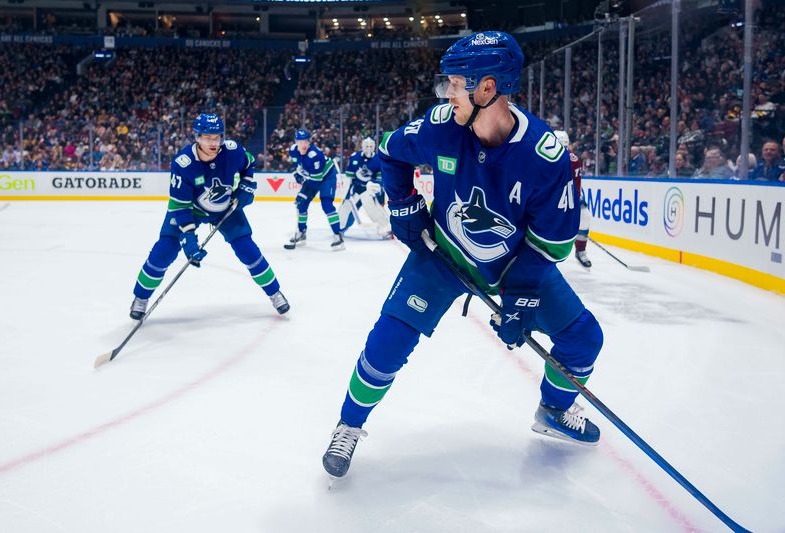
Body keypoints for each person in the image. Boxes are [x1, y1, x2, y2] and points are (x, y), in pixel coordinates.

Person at [321, 31, 604, 479]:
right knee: (387, 342)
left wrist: (523, 294)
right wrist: (402, 205)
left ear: (487, 88)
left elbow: (552, 243)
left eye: (455, 83)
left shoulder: (544, 157)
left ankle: (554, 409)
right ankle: (349, 425)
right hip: (442, 254)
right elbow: (392, 153)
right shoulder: (440, 127)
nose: (447, 92)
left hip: (513, 267)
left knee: (585, 339)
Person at [129, 113, 289, 320]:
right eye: (208, 137)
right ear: (197, 137)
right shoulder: (183, 163)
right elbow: (180, 204)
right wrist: (187, 236)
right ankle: (140, 298)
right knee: (163, 252)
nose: (214, 142)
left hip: (225, 207)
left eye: (217, 137)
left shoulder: (232, 151)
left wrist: (247, 185)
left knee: (247, 250)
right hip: (190, 210)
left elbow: (249, 163)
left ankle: (275, 293)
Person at [284, 129, 345, 251]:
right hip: (314, 177)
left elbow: (316, 180)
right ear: (296, 142)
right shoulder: (293, 150)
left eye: (305, 141)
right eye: (300, 141)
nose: (303, 144)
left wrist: (303, 193)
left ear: (309, 141)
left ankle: (338, 236)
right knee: (302, 206)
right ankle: (302, 233)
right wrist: (296, 173)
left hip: (327, 177)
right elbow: (295, 164)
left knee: (327, 205)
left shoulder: (314, 155)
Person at [338, 137, 391, 236]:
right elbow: (349, 177)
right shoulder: (355, 157)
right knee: (346, 207)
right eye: (366, 146)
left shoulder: (378, 160)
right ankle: (340, 227)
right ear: (362, 146)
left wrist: (378, 191)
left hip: (370, 189)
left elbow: (380, 181)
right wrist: (347, 191)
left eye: (371, 146)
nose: (369, 148)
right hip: (356, 188)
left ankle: (384, 227)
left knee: (372, 208)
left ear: (374, 146)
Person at [554, 130, 591, 269]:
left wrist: (574, 200)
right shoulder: (542, 158)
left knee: (585, 216)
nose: (562, 151)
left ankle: (581, 250)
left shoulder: (573, 159)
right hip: (546, 199)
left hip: (568, 197)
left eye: (564, 147)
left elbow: (576, 184)